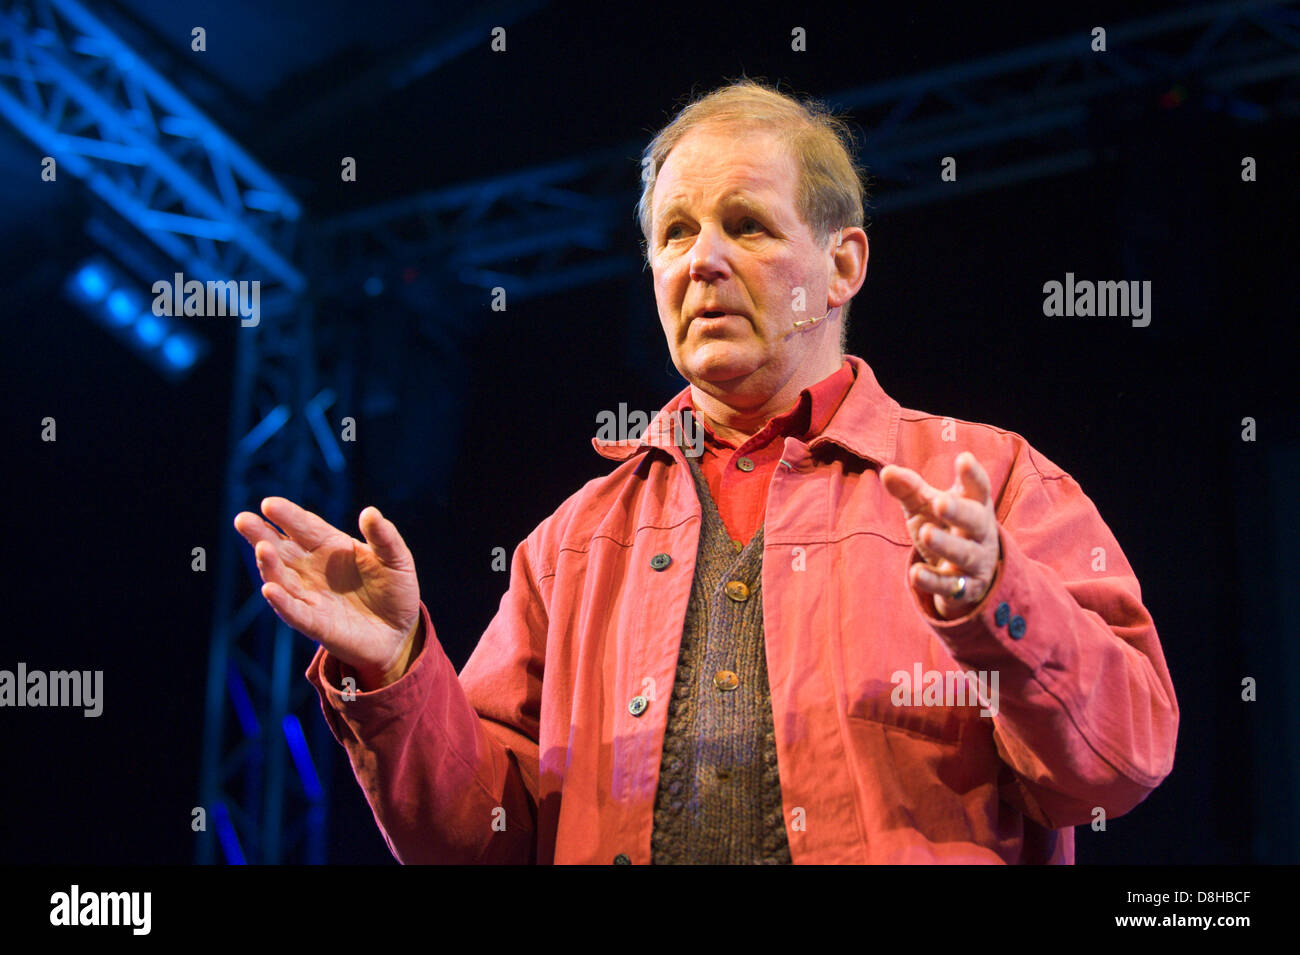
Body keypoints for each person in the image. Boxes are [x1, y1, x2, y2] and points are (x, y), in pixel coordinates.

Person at [233, 79, 1178, 864]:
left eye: (748, 226)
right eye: (676, 233)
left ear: (843, 262)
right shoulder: (570, 545)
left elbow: (1124, 757)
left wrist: (997, 599)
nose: (704, 261)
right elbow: (479, 840)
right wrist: (395, 666)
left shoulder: (991, 479)